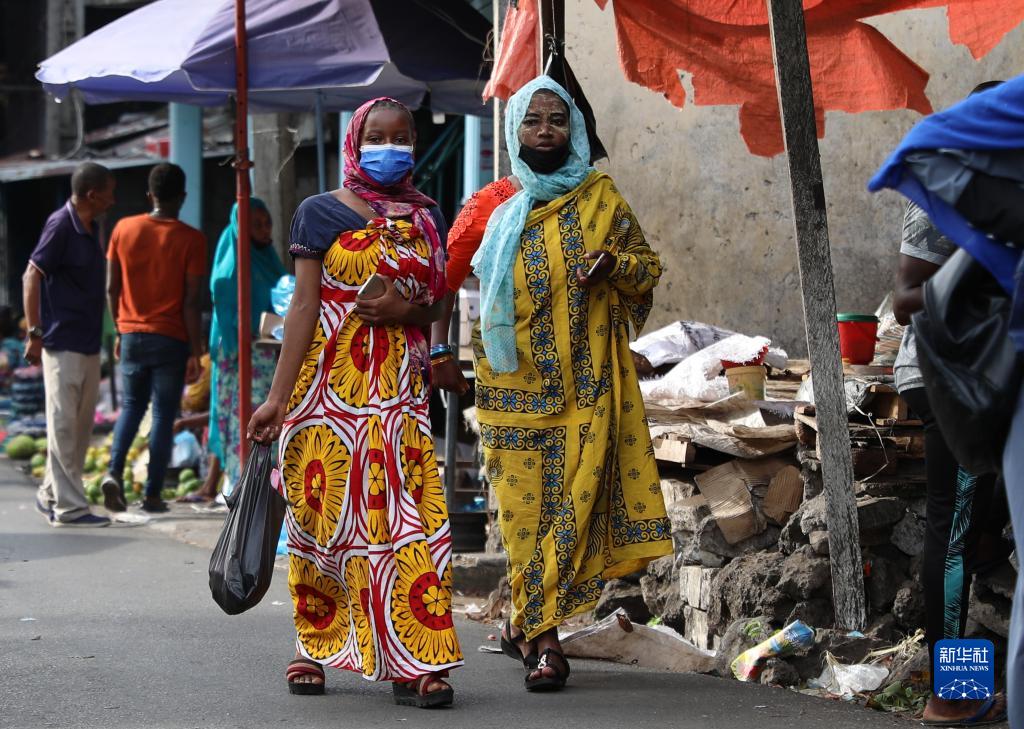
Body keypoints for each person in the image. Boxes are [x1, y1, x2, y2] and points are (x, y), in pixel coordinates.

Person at [441, 76, 672, 692]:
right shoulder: (493, 204)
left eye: (557, 119)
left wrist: (614, 266)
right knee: (523, 521)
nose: (545, 130)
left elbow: (647, 270)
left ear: (573, 129)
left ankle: (543, 642)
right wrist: (441, 354)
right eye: (532, 121)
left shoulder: (602, 199)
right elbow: (448, 277)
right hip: (509, 391)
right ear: (514, 131)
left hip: (585, 391)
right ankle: (534, 627)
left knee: (570, 514)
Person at [247, 97, 462, 707]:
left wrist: (406, 312)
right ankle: (313, 643)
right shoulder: (318, 214)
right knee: (324, 522)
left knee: (408, 521)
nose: (389, 146)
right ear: (355, 141)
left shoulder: (427, 217)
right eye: (376, 136)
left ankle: (415, 658)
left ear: (416, 144)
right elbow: (304, 306)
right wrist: (276, 399)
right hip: (325, 398)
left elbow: (438, 303)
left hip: (396, 394)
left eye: (401, 137)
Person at [893, 200, 1007, 726]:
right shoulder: (950, 190)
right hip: (954, 378)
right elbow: (904, 301)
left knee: (971, 523)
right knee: (954, 529)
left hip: (984, 379)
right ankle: (952, 695)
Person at [102, 163, 206, 513]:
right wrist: (196, 349)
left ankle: (114, 472)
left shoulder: (123, 229)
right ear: (183, 197)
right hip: (171, 338)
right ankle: (152, 494)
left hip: (131, 333)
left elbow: (111, 288)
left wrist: (119, 328)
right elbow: (192, 301)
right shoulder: (192, 239)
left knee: (131, 407)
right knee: (163, 412)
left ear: (150, 195)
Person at [24, 162, 115, 527]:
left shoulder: (91, 228)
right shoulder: (61, 225)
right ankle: (70, 508)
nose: (114, 198)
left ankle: (50, 492)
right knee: (63, 426)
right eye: (110, 190)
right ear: (93, 194)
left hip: (88, 342)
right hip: (61, 343)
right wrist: (34, 332)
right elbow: (31, 275)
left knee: (78, 430)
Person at [182, 199, 285, 504]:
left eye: (267, 223)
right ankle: (232, 485)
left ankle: (242, 485)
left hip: (265, 353)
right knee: (232, 417)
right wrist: (242, 335)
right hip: (237, 354)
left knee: (256, 419)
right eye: (256, 225)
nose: (265, 230)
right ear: (241, 226)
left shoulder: (267, 258)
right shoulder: (233, 262)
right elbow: (223, 292)